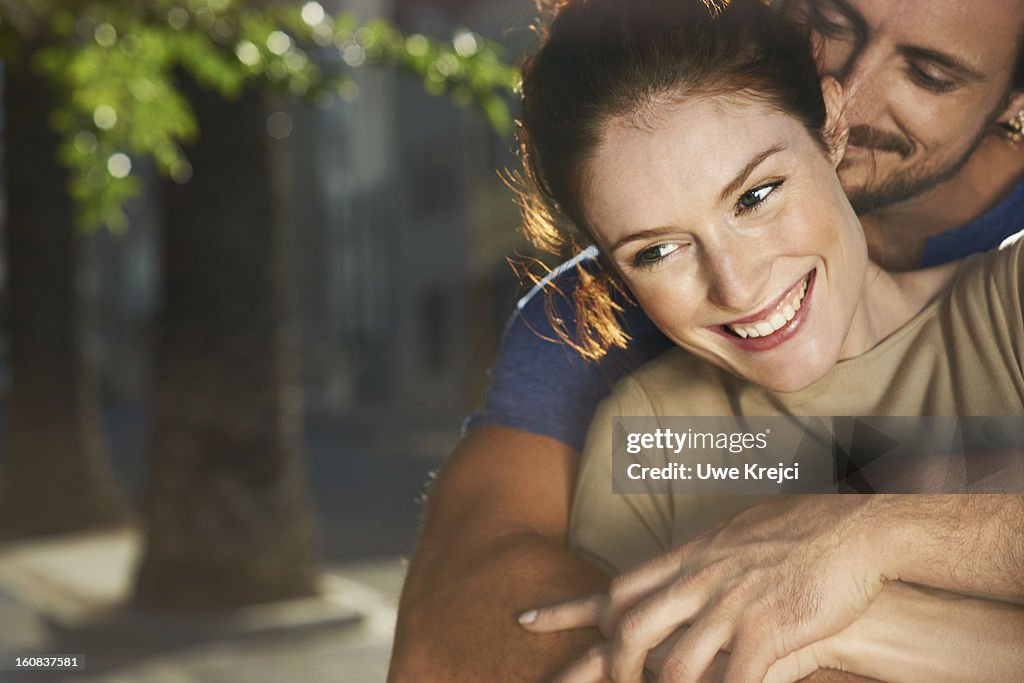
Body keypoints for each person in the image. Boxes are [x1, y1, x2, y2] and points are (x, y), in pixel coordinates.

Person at [388, 0, 1024, 680]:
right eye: (655, 250)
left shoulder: (1009, 300)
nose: (737, 285)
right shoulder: (648, 432)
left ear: (830, 128)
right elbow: (461, 625)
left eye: (756, 196)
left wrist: (864, 548)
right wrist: (858, 630)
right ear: (605, 267)